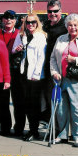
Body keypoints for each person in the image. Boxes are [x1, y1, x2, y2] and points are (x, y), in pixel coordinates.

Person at [50, 14, 78, 147]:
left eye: (75, 25)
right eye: (70, 25)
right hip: (61, 79)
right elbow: (53, 58)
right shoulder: (61, 39)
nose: (73, 27)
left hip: (77, 80)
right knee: (61, 109)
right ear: (66, 26)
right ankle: (62, 135)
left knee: (77, 109)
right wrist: (54, 72)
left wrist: (75, 59)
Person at [12, 13, 47, 141]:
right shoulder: (21, 35)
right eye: (28, 22)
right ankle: (31, 130)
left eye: (33, 22)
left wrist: (36, 74)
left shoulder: (41, 37)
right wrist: (17, 49)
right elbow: (13, 50)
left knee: (34, 104)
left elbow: (41, 57)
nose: (30, 25)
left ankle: (34, 130)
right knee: (26, 104)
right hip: (23, 73)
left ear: (37, 23)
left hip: (35, 76)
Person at [0, 10, 23, 137]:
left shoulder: (20, 34)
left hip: (16, 71)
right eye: (6, 18)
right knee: (3, 101)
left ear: (15, 20)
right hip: (1, 72)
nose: (8, 20)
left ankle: (19, 128)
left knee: (18, 101)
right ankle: (5, 127)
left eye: (11, 18)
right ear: (2, 20)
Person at [42, 0, 67, 123]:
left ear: (61, 11)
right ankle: (50, 124)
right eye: (50, 11)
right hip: (45, 68)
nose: (52, 14)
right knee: (47, 98)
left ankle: (60, 129)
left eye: (55, 11)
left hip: (59, 69)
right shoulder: (45, 26)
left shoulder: (65, 27)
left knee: (59, 101)